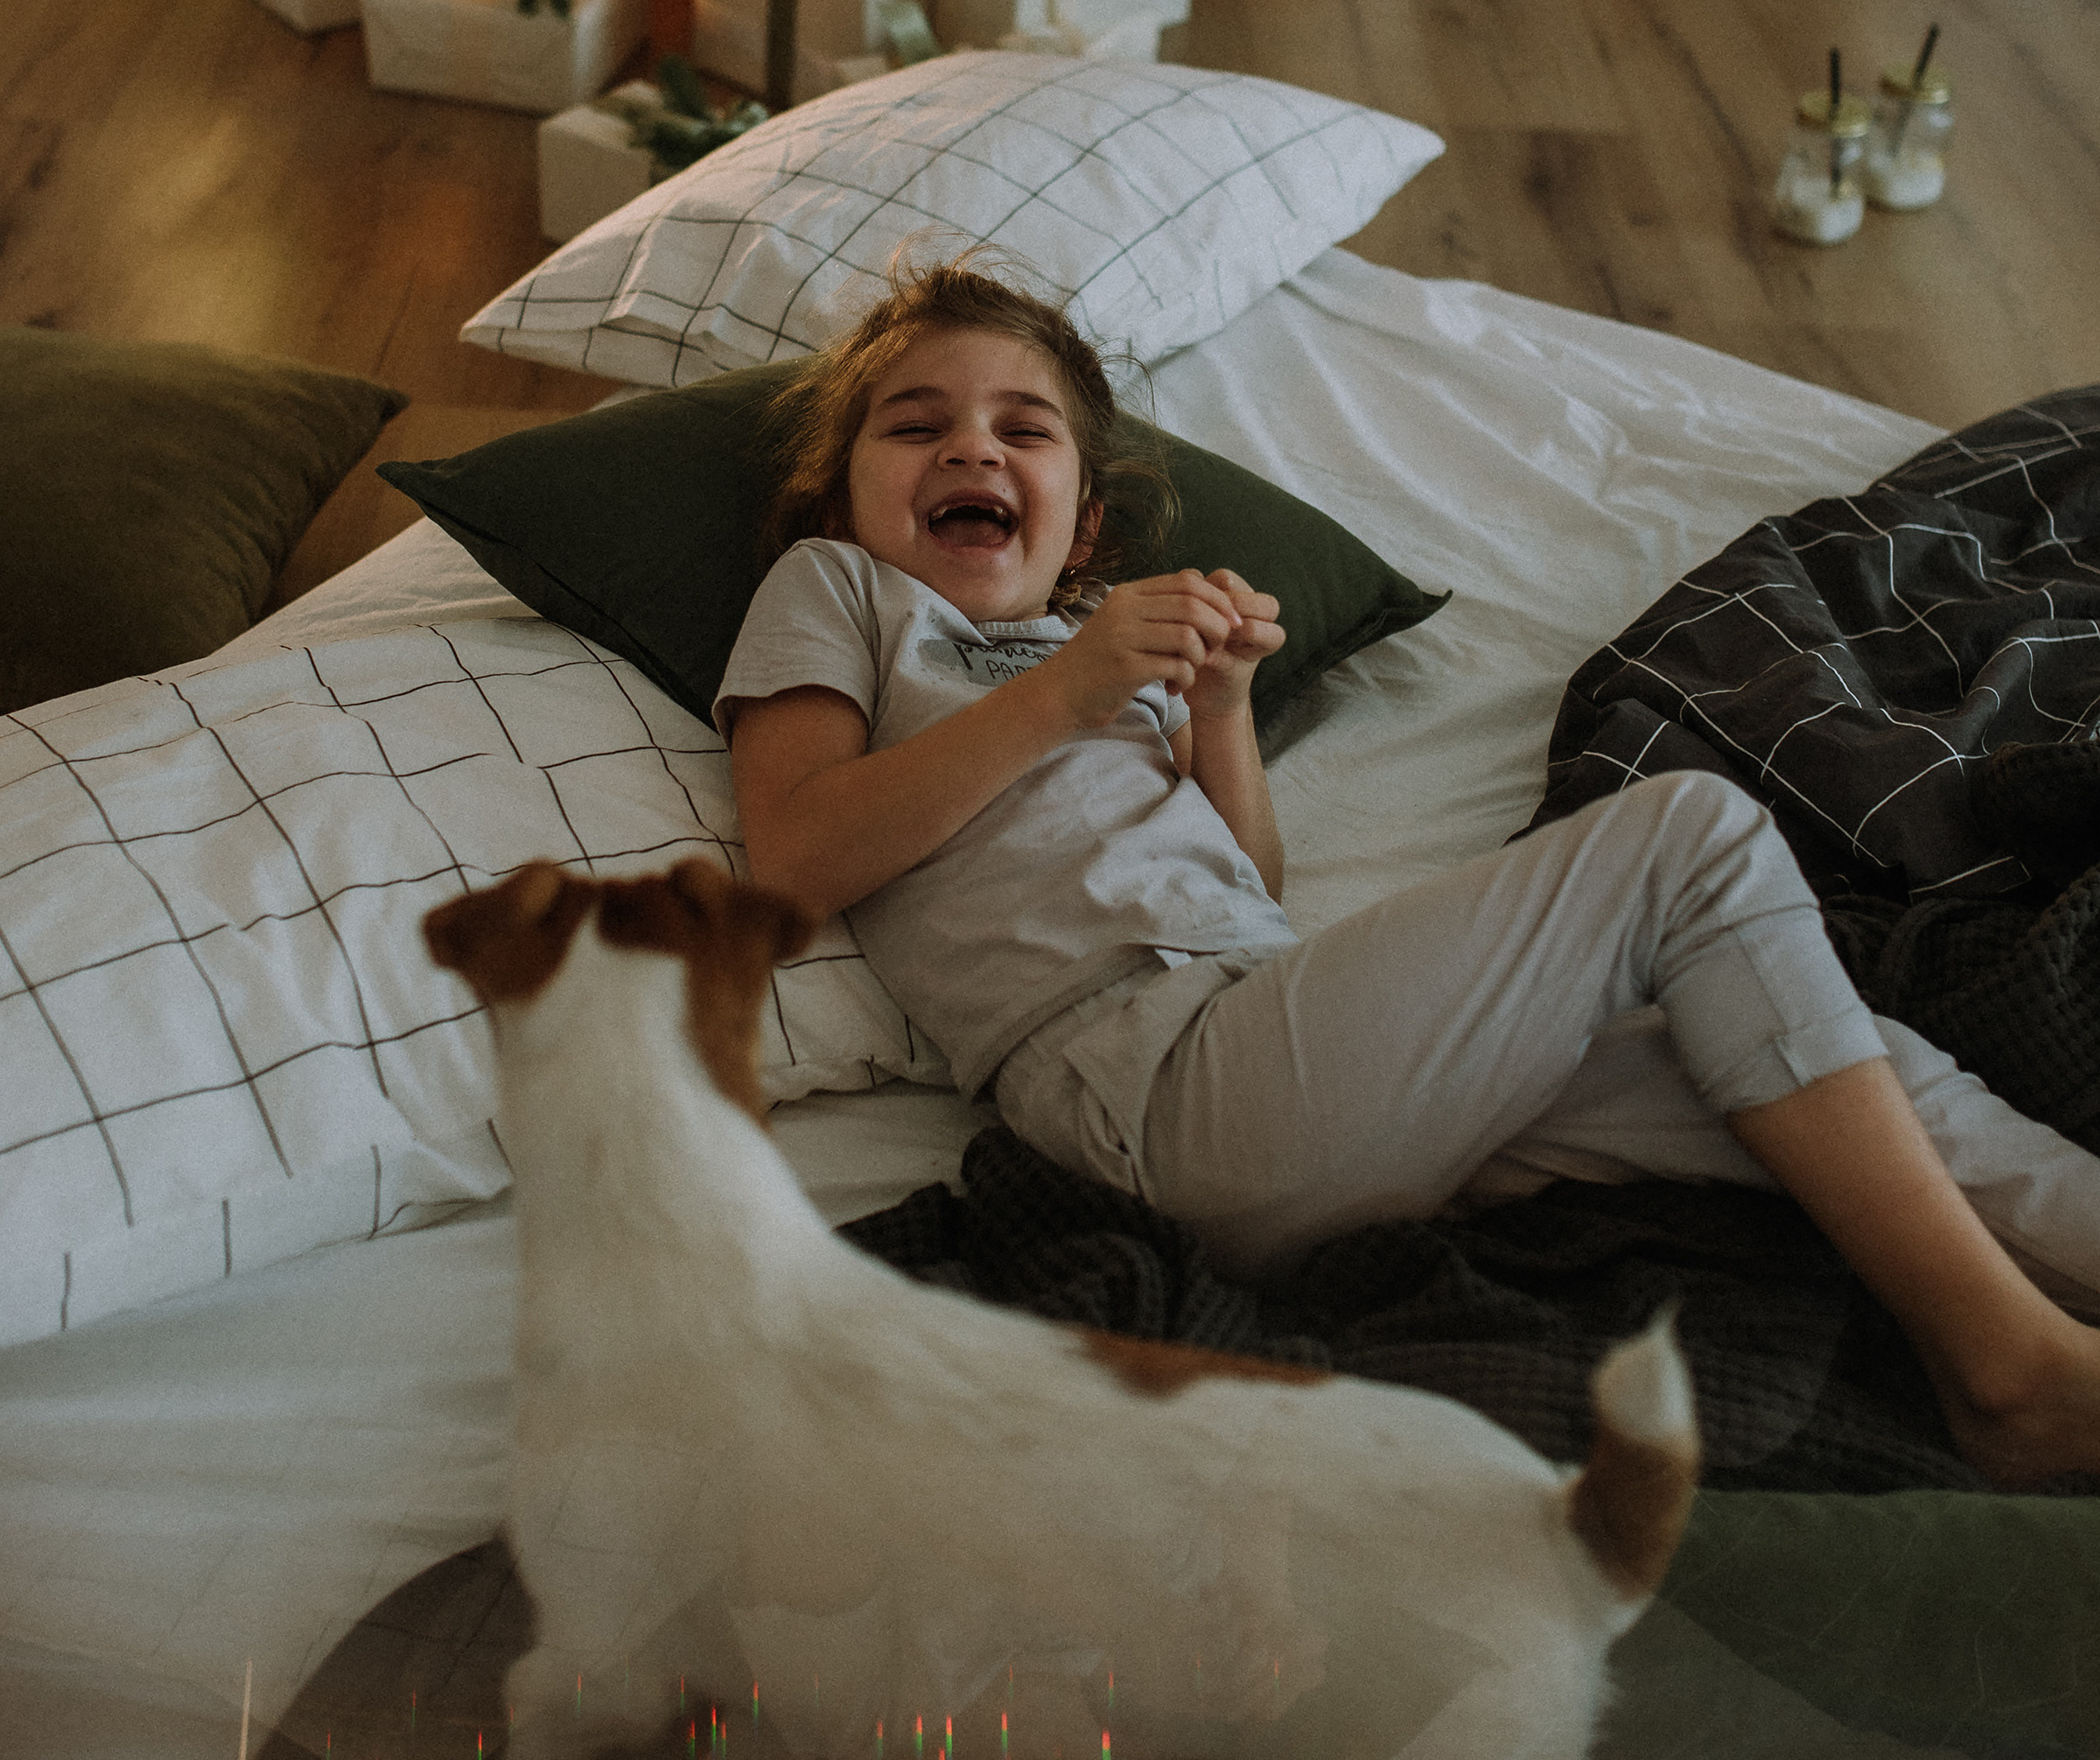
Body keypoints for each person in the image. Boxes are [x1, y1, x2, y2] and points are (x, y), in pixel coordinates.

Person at [718, 259, 2100, 1488]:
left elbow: (1245, 878)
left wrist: (1220, 710)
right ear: (843, 497)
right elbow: (790, 862)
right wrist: (1070, 690)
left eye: (1024, 431)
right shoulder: (844, 597)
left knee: (1832, 1058)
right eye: (918, 426)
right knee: (1690, 841)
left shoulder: (1098, 653)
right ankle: (2006, 1371)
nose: (974, 446)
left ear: (1081, 531)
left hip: (1279, 1050)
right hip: (1146, 1083)